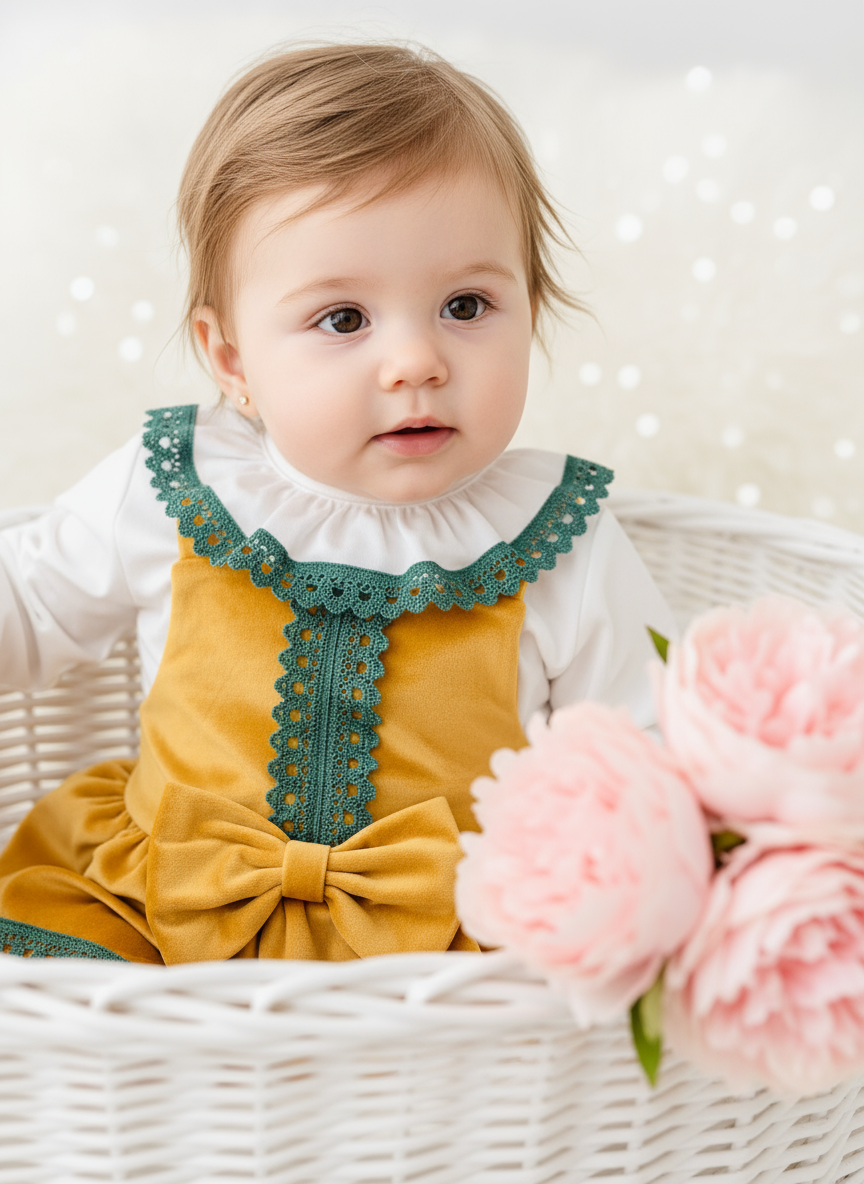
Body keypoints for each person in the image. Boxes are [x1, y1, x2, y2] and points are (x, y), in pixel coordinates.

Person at [0, 43, 675, 965]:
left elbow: (642, 746)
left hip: (445, 948)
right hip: (159, 902)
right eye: (345, 320)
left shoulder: (559, 538)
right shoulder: (176, 486)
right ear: (232, 360)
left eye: (468, 306)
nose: (417, 362)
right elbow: (31, 606)